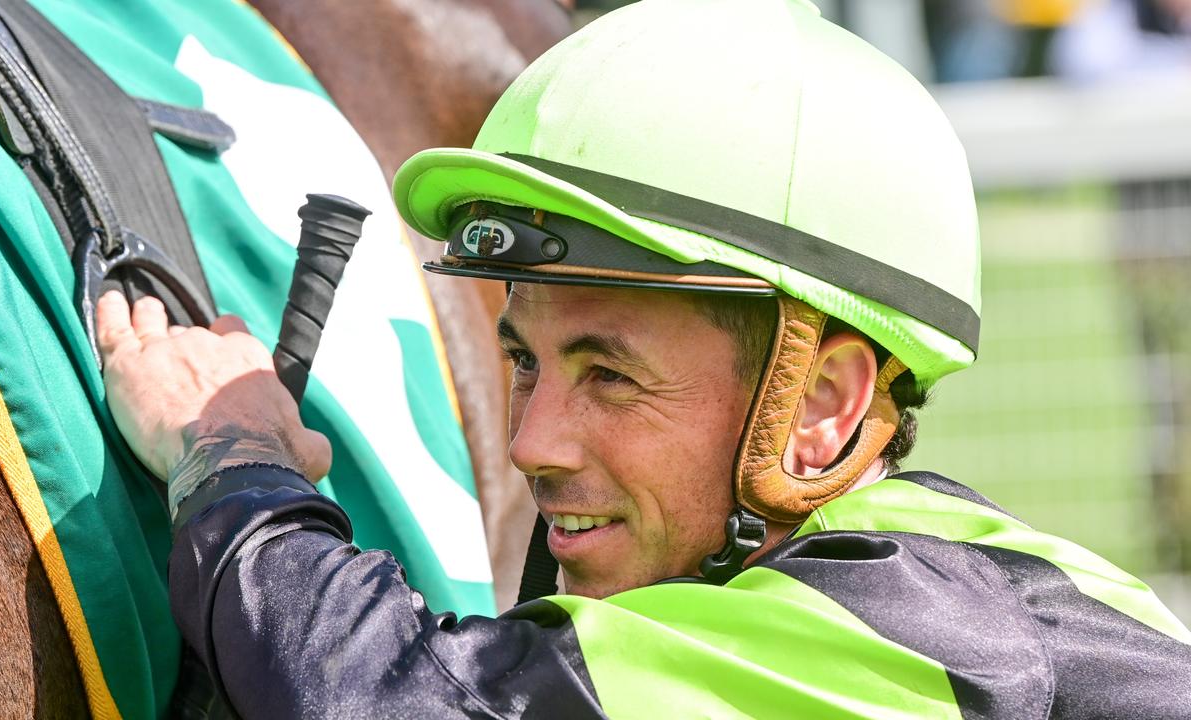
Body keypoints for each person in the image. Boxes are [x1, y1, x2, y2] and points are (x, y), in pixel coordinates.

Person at [99, 0, 1191, 716]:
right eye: (522, 360)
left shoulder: (911, 634)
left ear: (818, 405)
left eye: (609, 374)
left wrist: (234, 457)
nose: (531, 444)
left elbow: (389, 703)